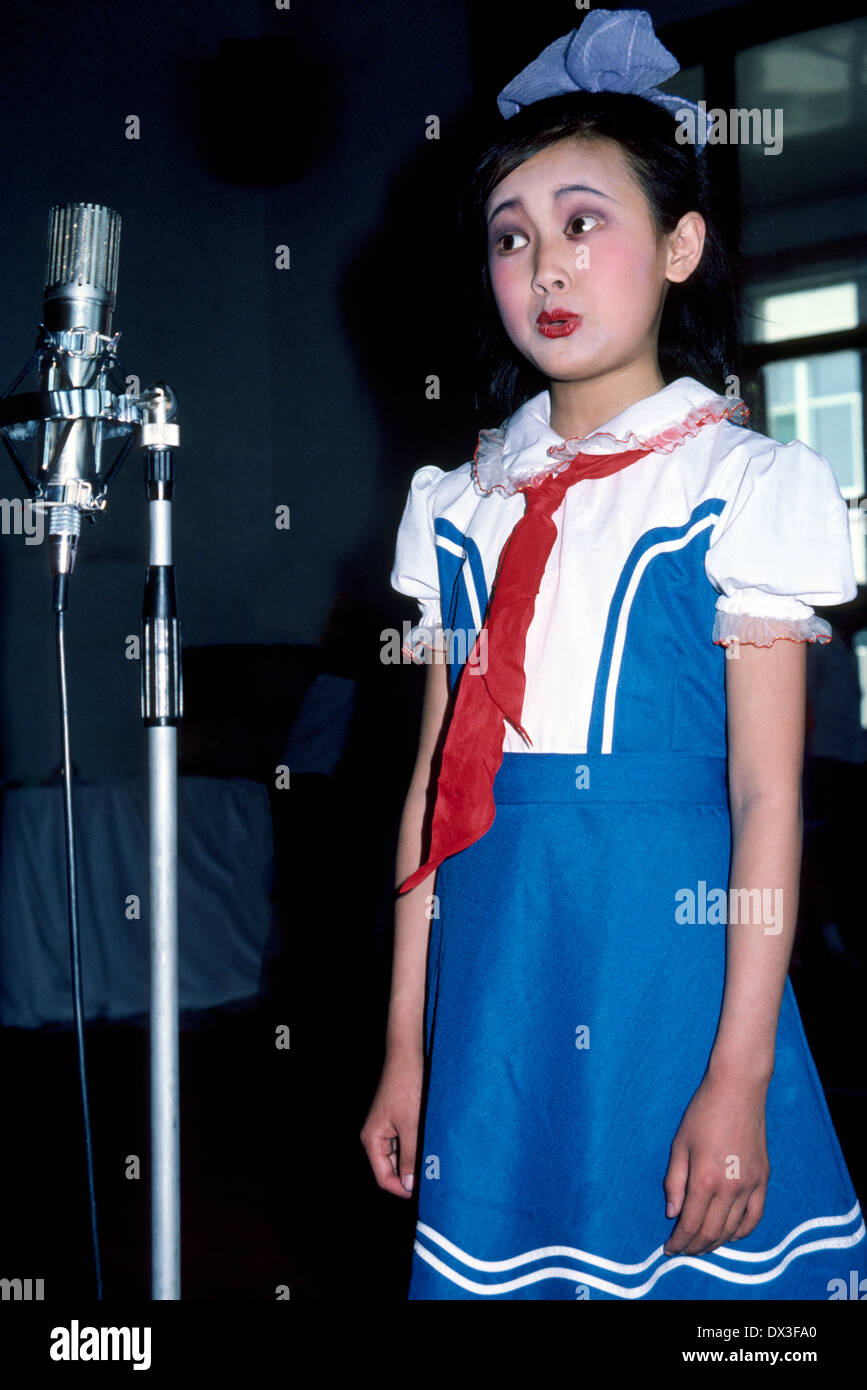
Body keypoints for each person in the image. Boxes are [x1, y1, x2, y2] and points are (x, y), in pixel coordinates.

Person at [360, 10, 866, 1299]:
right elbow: (428, 796)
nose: (545, 267)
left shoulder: (744, 486)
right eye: (513, 235)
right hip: (503, 966)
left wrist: (739, 1071)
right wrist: (406, 1047)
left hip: (670, 965)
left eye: (584, 222)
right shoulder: (459, 505)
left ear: (680, 245)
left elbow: (765, 798)